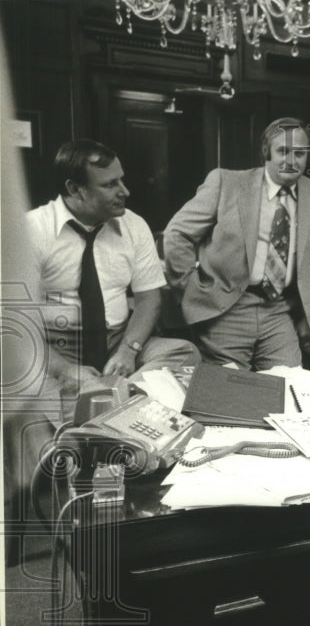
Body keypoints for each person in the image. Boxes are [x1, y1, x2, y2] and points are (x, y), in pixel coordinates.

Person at [24, 139, 202, 419]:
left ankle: (100, 404)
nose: (125, 191)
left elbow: (148, 301)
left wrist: (128, 351)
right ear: (75, 189)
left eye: (122, 180)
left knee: (184, 352)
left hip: (117, 340)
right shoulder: (31, 230)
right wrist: (63, 369)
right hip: (55, 346)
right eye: (110, 185)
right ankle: (121, 406)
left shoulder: (134, 225)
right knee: (23, 393)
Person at [162, 117, 310, 371]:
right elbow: (177, 234)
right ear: (266, 153)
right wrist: (191, 289)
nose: (292, 161)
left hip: (280, 311)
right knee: (229, 395)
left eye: (300, 153)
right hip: (227, 310)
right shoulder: (226, 183)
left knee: (288, 390)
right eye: (283, 151)